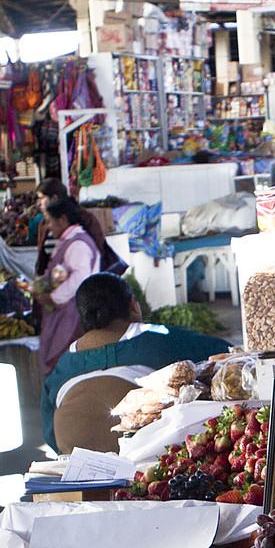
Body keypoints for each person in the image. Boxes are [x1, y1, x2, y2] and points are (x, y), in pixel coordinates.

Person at [41, 273, 229, 431]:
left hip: (78, 467)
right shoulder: (162, 339)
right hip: (159, 465)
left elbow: (50, 434)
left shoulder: (61, 369)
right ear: (133, 305)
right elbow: (227, 354)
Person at [32, 182, 118, 375]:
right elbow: (61, 271)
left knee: (66, 361)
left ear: (62, 219)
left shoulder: (78, 244)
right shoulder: (68, 241)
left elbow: (79, 278)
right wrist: (41, 286)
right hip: (63, 313)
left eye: (50, 221)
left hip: (72, 313)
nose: (49, 227)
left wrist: (53, 298)